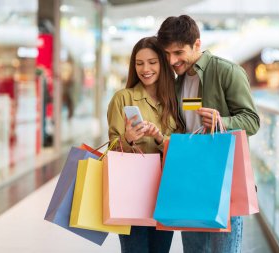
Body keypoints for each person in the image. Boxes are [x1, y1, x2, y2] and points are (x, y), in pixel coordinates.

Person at [157, 15, 260, 253]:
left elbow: (252, 121)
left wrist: (221, 121)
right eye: (167, 54)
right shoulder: (176, 82)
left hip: (222, 180)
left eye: (178, 52)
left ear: (197, 44)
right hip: (189, 179)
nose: (172, 60)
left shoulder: (227, 71)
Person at [107, 36, 183, 253]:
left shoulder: (175, 101)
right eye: (139, 63)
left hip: (165, 189)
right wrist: (128, 138)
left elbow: (182, 147)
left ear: (162, 63)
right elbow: (111, 148)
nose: (145, 69)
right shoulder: (122, 98)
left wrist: (160, 138)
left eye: (152, 62)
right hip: (131, 190)